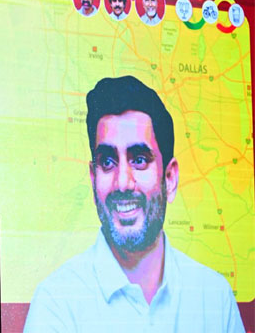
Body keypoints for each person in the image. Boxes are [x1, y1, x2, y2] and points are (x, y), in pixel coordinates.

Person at [24, 76, 245, 332]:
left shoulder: (215, 299)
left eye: (139, 159)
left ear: (170, 178)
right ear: (94, 178)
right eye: (107, 162)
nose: (122, 183)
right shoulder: (56, 304)